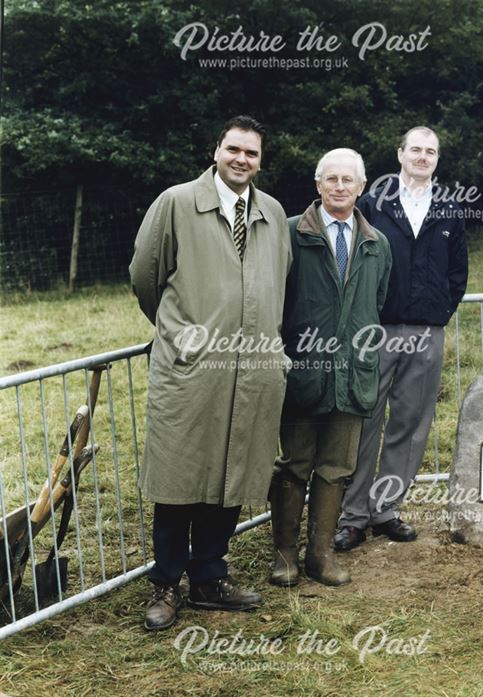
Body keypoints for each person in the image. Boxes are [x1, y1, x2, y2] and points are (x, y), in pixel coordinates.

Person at [130, 115, 291, 631]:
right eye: (234, 149)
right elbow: (145, 277)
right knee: (180, 478)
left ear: (261, 161)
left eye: (252, 153)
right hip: (192, 369)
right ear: (216, 150)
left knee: (231, 473)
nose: (242, 159)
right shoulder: (177, 203)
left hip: (252, 369)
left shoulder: (271, 212)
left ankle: (209, 577)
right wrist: (182, 332)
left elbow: (279, 283)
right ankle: (166, 584)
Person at [334, 126, 468, 551]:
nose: (423, 157)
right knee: (365, 421)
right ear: (400, 154)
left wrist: (441, 310)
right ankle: (352, 515)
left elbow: (457, 273)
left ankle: (385, 509)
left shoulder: (449, 209)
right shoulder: (372, 205)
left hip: (426, 332)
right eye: (416, 149)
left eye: (431, 151)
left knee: (411, 425)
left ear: (437, 159)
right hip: (377, 331)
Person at [269, 149, 391, 587]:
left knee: (337, 467)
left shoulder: (377, 244)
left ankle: (320, 555)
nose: (340, 187)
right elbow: (274, 301)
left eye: (349, 180)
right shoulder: (288, 235)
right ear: (318, 185)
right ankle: (284, 555)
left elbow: (375, 305)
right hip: (303, 372)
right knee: (293, 464)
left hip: (351, 375)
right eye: (332, 179)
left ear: (361, 187)